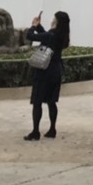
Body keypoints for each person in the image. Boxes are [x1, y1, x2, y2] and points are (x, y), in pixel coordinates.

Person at [25, 10, 70, 140]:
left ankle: (35, 131)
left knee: (37, 102)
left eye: (54, 18)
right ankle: (52, 129)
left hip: (43, 72)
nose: (52, 20)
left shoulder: (51, 35)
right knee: (52, 102)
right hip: (56, 72)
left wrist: (33, 26)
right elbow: (46, 36)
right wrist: (39, 27)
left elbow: (30, 36)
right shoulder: (61, 36)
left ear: (57, 21)